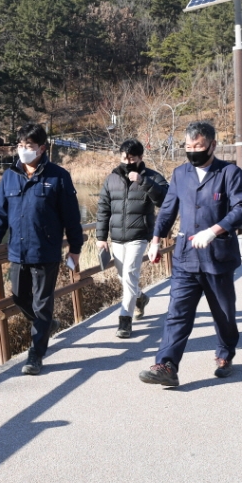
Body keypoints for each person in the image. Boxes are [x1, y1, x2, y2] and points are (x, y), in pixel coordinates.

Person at [138, 121, 242, 387]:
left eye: (198, 146)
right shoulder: (180, 174)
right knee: (177, 312)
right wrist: (155, 240)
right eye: (188, 147)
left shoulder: (229, 173)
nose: (192, 151)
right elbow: (167, 210)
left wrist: (215, 230)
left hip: (218, 257)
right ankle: (166, 365)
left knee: (223, 313)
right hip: (186, 257)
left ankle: (225, 353)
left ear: (212, 145)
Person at [0, 123, 84, 375]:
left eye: (29, 146)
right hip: (17, 252)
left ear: (42, 148)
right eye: (20, 146)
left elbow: (71, 216)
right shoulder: (10, 175)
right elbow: (0, 213)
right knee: (20, 297)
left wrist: (75, 248)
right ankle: (46, 325)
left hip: (46, 250)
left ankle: (36, 354)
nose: (23, 150)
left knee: (42, 303)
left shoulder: (57, 176)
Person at [96, 139, 169, 338]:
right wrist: (101, 238)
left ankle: (125, 320)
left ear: (140, 158)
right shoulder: (112, 179)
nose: (127, 161)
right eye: (124, 157)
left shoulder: (152, 177)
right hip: (117, 237)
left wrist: (143, 182)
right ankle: (140, 298)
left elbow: (165, 200)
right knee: (123, 276)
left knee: (129, 273)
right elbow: (103, 209)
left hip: (140, 236)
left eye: (132, 158)